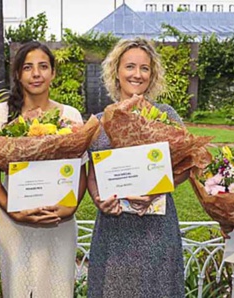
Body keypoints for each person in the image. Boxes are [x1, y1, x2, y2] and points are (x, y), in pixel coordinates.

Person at [0, 41, 87, 298]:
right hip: (15, 222)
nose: (36, 74)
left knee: (58, 289)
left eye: (43, 66)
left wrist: (70, 207)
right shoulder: (0, 115)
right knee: (18, 289)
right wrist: (14, 211)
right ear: (17, 73)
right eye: (28, 67)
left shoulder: (69, 115)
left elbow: (82, 171)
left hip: (57, 221)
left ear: (53, 72)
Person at [85, 37, 190, 297]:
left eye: (145, 68)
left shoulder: (166, 115)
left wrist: (159, 189)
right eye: (130, 66)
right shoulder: (98, 122)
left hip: (156, 228)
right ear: (116, 72)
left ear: (152, 75)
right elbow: (92, 174)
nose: (137, 74)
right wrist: (99, 200)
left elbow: (186, 165)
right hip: (114, 228)